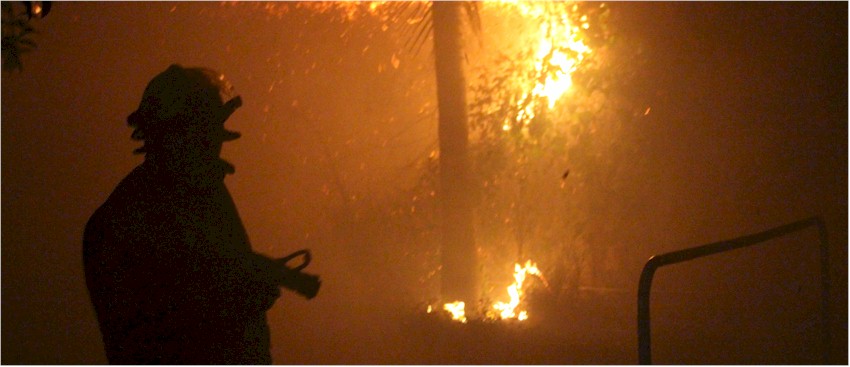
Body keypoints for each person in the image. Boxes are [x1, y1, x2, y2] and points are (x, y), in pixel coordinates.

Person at [83, 64, 320, 364]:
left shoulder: (191, 195)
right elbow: (158, 326)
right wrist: (242, 294)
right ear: (182, 132)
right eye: (207, 128)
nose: (216, 141)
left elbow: (216, 262)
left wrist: (262, 274)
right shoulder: (137, 214)